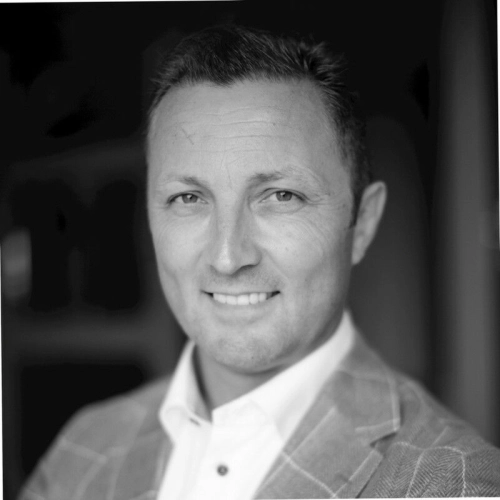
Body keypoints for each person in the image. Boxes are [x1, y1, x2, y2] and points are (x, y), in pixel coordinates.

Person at [20, 24, 500, 500]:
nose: (228, 257)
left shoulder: (452, 483)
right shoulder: (84, 449)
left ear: (364, 223)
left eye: (281, 196)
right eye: (188, 198)